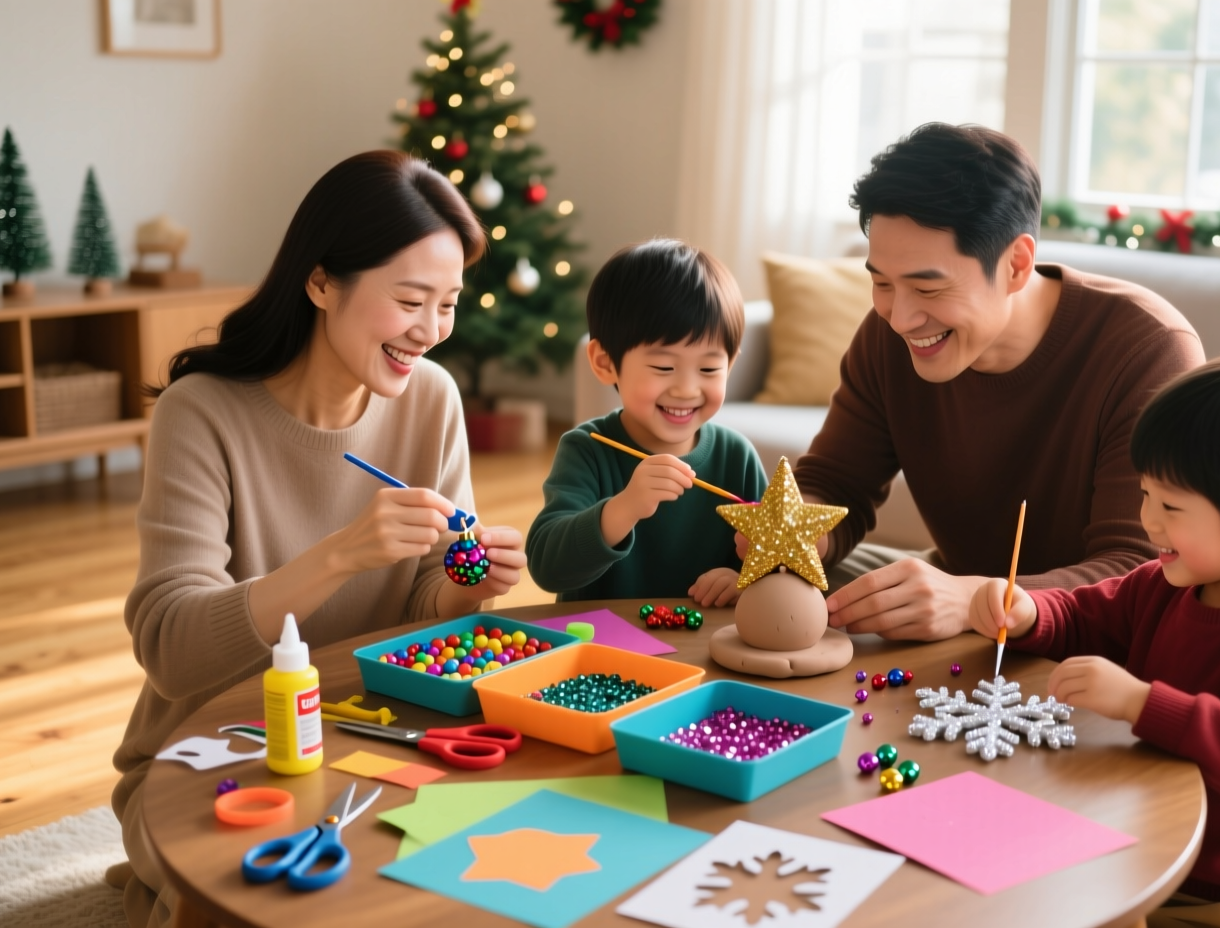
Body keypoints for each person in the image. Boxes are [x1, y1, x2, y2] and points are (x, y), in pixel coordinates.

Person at [109, 151, 528, 928]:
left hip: (365, 734)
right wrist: (341, 554)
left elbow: (431, 607)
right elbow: (170, 651)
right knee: (266, 904)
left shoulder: (430, 399)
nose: (431, 332)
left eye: (449, 304)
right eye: (410, 300)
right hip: (212, 751)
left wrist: (468, 585)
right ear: (322, 282)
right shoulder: (201, 413)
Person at [970, 353, 1220, 928]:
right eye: (1146, 493)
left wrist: (1138, 700)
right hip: (1146, 861)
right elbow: (1084, 616)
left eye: (1171, 505)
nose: (1148, 519)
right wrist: (1030, 612)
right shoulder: (1161, 584)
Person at [792, 123, 1204, 641]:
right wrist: (796, 528)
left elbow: (1140, 571)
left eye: (927, 287)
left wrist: (971, 600)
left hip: (1094, 636)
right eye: (881, 283)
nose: (899, 318)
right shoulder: (887, 338)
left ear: (1016, 264)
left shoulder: (1148, 351)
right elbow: (834, 483)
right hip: (962, 594)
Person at [526, 239, 768, 604]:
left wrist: (746, 580)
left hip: (708, 652)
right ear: (605, 363)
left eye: (708, 368)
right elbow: (546, 567)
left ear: (730, 365)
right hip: (604, 649)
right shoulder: (588, 449)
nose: (687, 389)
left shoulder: (737, 456)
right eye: (663, 367)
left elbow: (782, 562)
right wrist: (624, 508)